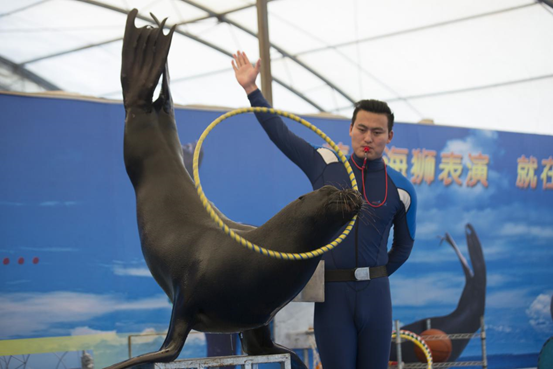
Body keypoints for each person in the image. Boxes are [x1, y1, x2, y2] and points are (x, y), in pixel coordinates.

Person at [232, 51, 417, 369]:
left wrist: (376, 273)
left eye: (377, 131)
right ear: (350, 129)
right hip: (333, 295)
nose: (368, 138)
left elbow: (404, 246)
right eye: (362, 129)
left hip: (377, 295)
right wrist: (252, 90)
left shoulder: (402, 188)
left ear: (390, 136)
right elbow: (281, 133)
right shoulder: (326, 165)